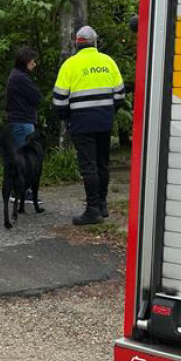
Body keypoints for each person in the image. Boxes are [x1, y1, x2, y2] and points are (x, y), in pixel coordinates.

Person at [52, 26, 125, 225]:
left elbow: (59, 99)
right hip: (104, 121)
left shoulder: (70, 64)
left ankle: (92, 210)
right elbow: (119, 94)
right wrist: (108, 110)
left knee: (89, 166)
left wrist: (66, 117)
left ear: (77, 43)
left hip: (81, 122)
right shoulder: (108, 62)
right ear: (95, 42)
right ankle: (102, 205)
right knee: (102, 163)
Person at [5, 47, 41, 150]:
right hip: (23, 122)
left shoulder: (15, 75)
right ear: (26, 62)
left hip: (17, 121)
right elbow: (37, 98)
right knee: (26, 157)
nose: (34, 64)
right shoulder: (21, 78)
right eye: (32, 61)